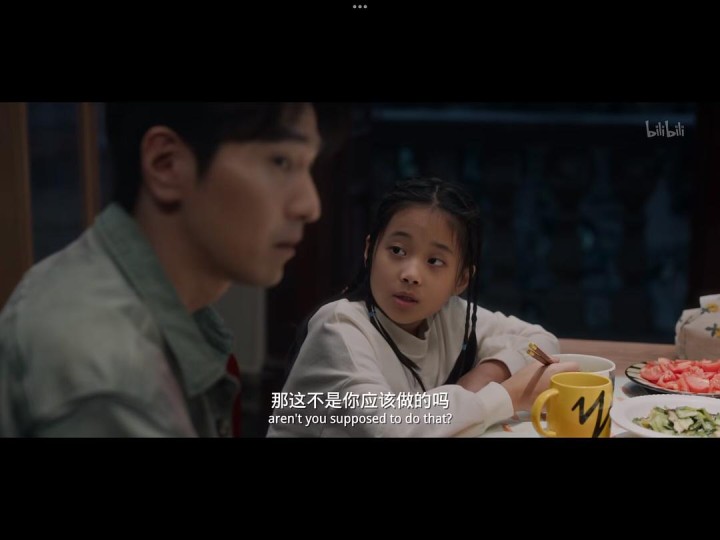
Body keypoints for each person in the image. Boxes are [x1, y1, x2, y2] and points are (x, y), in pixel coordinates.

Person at [0, 102, 325, 437]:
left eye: (309, 166)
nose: (310, 205)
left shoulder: (152, 302)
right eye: (280, 162)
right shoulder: (107, 372)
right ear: (166, 164)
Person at [267, 177, 578, 437]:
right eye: (397, 250)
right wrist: (507, 396)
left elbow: (539, 339)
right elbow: (390, 427)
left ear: (461, 279)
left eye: (434, 261)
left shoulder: (447, 315)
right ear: (370, 250)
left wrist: (484, 375)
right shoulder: (339, 327)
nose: (411, 274)